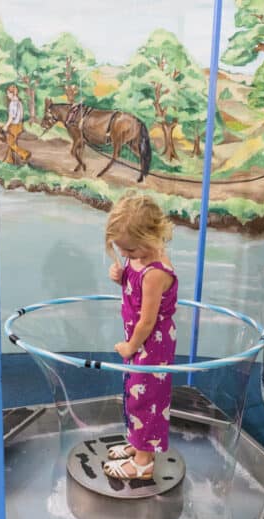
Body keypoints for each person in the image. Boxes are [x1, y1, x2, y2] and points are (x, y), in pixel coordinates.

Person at [104, 194, 178, 481]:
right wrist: (120, 274)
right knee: (134, 394)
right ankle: (138, 447)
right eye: (124, 252)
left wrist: (130, 347)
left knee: (147, 399)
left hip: (151, 344)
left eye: (132, 252)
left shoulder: (155, 273)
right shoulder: (139, 257)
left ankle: (143, 463)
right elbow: (132, 281)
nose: (129, 257)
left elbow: (147, 320)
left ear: (149, 238)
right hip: (139, 341)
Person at [2, 84, 31, 165]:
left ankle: (25, 154)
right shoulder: (19, 102)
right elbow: (21, 116)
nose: (7, 96)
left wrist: (6, 126)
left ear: (11, 93)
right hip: (19, 125)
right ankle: (8, 160)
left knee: (11, 143)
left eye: (8, 93)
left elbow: (11, 117)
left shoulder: (12, 103)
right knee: (12, 143)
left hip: (14, 126)